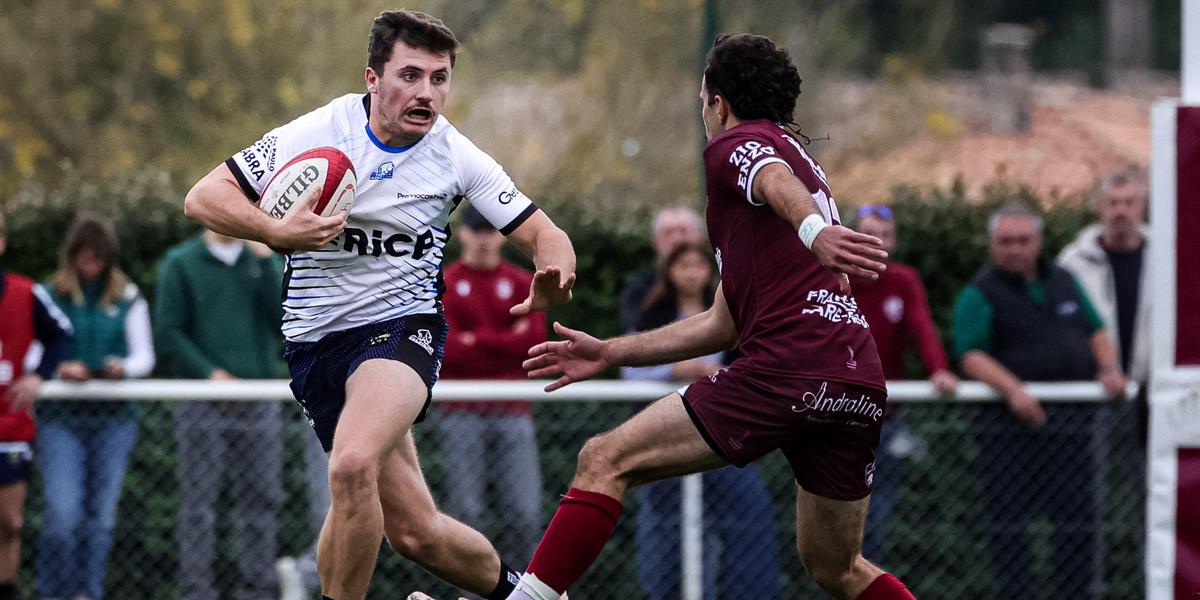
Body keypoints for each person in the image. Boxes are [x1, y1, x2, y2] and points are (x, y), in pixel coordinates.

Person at [503, 33, 914, 600]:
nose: (703, 113)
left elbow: (769, 175)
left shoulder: (736, 143)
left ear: (718, 103)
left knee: (604, 459)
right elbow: (724, 324)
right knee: (836, 567)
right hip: (854, 380)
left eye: (702, 100)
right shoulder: (808, 166)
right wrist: (609, 351)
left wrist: (814, 231)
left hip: (786, 371)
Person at [181, 10, 576, 600]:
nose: (427, 93)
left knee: (349, 465)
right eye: (410, 75)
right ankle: (523, 594)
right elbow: (202, 197)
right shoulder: (318, 134)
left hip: (400, 330)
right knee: (416, 533)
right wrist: (278, 232)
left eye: (439, 78)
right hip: (315, 343)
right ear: (372, 78)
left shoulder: (454, 154)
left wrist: (556, 275)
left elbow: (548, 235)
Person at [952, 202, 1126, 598]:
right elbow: (971, 355)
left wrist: (1109, 369)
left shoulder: (1064, 279)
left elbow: (1096, 331)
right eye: (1006, 241)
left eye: (1023, 240)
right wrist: (1013, 390)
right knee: (1010, 529)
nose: (1015, 249)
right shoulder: (979, 292)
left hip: (1072, 431)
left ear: (1038, 241)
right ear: (993, 244)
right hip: (1008, 434)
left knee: (1077, 525)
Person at [621, 241, 781, 600]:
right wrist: (683, 368)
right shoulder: (650, 315)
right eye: (684, 265)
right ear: (669, 272)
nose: (692, 272)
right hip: (664, 438)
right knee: (667, 529)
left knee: (748, 517)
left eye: (699, 265)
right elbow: (632, 373)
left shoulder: (736, 314)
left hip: (719, 436)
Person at [154, 229, 287, 600]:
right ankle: (196, 590)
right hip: (202, 399)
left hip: (259, 398)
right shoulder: (181, 262)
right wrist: (211, 374)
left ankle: (257, 590)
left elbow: (286, 320)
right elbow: (168, 332)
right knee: (199, 502)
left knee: (262, 498)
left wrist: (266, 261)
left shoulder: (261, 260)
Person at [36, 216, 155, 600]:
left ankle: (89, 592)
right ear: (70, 257)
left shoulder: (127, 296)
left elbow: (144, 358)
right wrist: (58, 369)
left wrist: (120, 369)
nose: (91, 268)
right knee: (62, 516)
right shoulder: (47, 295)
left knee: (101, 519)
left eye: (98, 260)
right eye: (84, 259)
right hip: (61, 421)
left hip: (113, 420)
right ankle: (55, 593)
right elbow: (31, 356)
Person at [436, 204, 548, 573]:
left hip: (513, 408)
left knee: (524, 513)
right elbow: (445, 349)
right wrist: (502, 341)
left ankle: (525, 594)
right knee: (464, 514)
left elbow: (531, 344)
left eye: (489, 230)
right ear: (463, 233)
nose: (483, 239)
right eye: (475, 230)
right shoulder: (445, 282)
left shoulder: (520, 283)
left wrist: (473, 341)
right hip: (460, 410)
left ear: (500, 234)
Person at [851, 204, 956, 562]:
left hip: (886, 418)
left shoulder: (903, 280)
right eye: (870, 233)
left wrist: (938, 370)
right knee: (837, 517)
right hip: (839, 418)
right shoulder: (836, 277)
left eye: (886, 234)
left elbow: (921, 325)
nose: (878, 242)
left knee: (876, 519)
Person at [0, 212, 74, 600]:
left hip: (9, 426)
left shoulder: (25, 293)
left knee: (10, 522)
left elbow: (62, 337)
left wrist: (39, 374)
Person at [618, 207, 705, 333]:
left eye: (683, 231)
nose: (676, 239)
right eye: (668, 233)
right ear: (654, 241)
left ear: (699, 238)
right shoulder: (637, 291)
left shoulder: (724, 285)